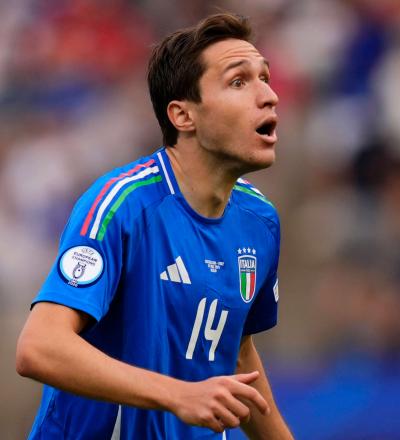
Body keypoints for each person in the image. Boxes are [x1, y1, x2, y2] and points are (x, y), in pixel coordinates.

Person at [16, 12, 293, 439]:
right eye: (239, 82)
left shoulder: (260, 222)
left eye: (265, 78)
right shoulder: (123, 205)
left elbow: (237, 352)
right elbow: (39, 347)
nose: (269, 95)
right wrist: (178, 394)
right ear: (183, 116)